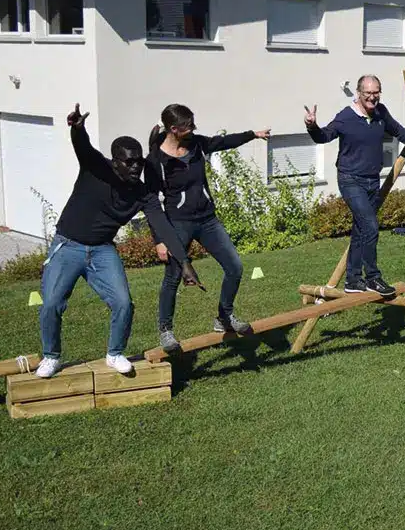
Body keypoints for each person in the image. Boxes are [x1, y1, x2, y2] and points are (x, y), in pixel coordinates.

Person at [36, 104, 201, 379]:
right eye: (129, 162)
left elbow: (162, 225)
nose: (135, 166)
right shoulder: (95, 169)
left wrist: (184, 262)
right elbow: (84, 148)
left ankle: (115, 354)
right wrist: (78, 129)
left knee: (124, 302)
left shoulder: (142, 193)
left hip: (102, 250)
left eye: (138, 161)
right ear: (115, 161)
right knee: (52, 303)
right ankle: (51, 356)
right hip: (69, 245)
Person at [146, 104, 270, 353]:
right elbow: (151, 203)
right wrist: (159, 239)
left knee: (235, 267)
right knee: (172, 277)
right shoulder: (156, 161)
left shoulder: (197, 144)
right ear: (173, 129)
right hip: (177, 224)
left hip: (207, 220)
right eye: (188, 126)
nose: (193, 128)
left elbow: (222, 142)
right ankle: (166, 330)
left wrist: (251, 135)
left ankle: (223, 317)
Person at [305, 75, 405, 299]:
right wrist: (312, 126)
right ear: (358, 93)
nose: (372, 97)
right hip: (350, 179)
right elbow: (323, 136)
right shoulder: (346, 117)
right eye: (368, 93)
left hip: (373, 180)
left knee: (361, 230)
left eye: (376, 92)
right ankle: (372, 277)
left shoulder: (381, 111)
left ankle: (353, 280)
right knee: (371, 226)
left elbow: (399, 131)